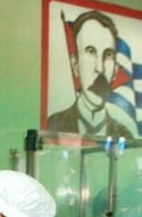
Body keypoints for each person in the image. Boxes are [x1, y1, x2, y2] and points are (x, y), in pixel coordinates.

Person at [46, 10, 128, 138]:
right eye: (90, 51)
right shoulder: (52, 126)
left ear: (116, 71)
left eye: (108, 55)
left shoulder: (126, 137)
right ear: (75, 65)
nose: (100, 68)